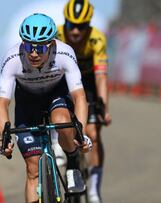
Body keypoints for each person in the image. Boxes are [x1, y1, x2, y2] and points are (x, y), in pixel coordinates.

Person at [0, 13, 93, 203]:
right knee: (32, 170)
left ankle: (72, 162)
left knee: (62, 122)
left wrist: (81, 133)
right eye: (29, 45)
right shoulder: (12, 58)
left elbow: (79, 96)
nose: (33, 53)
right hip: (27, 101)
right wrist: (4, 137)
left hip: (56, 94)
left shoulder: (65, 53)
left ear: (52, 44)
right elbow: (2, 104)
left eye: (40, 47)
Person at [57, 0, 112, 202]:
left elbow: (101, 77)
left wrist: (103, 108)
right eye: (72, 25)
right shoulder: (58, 35)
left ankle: (94, 190)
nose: (76, 31)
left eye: (82, 26)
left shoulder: (97, 39)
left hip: (88, 84)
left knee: (93, 134)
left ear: (89, 25)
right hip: (63, 83)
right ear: (65, 23)